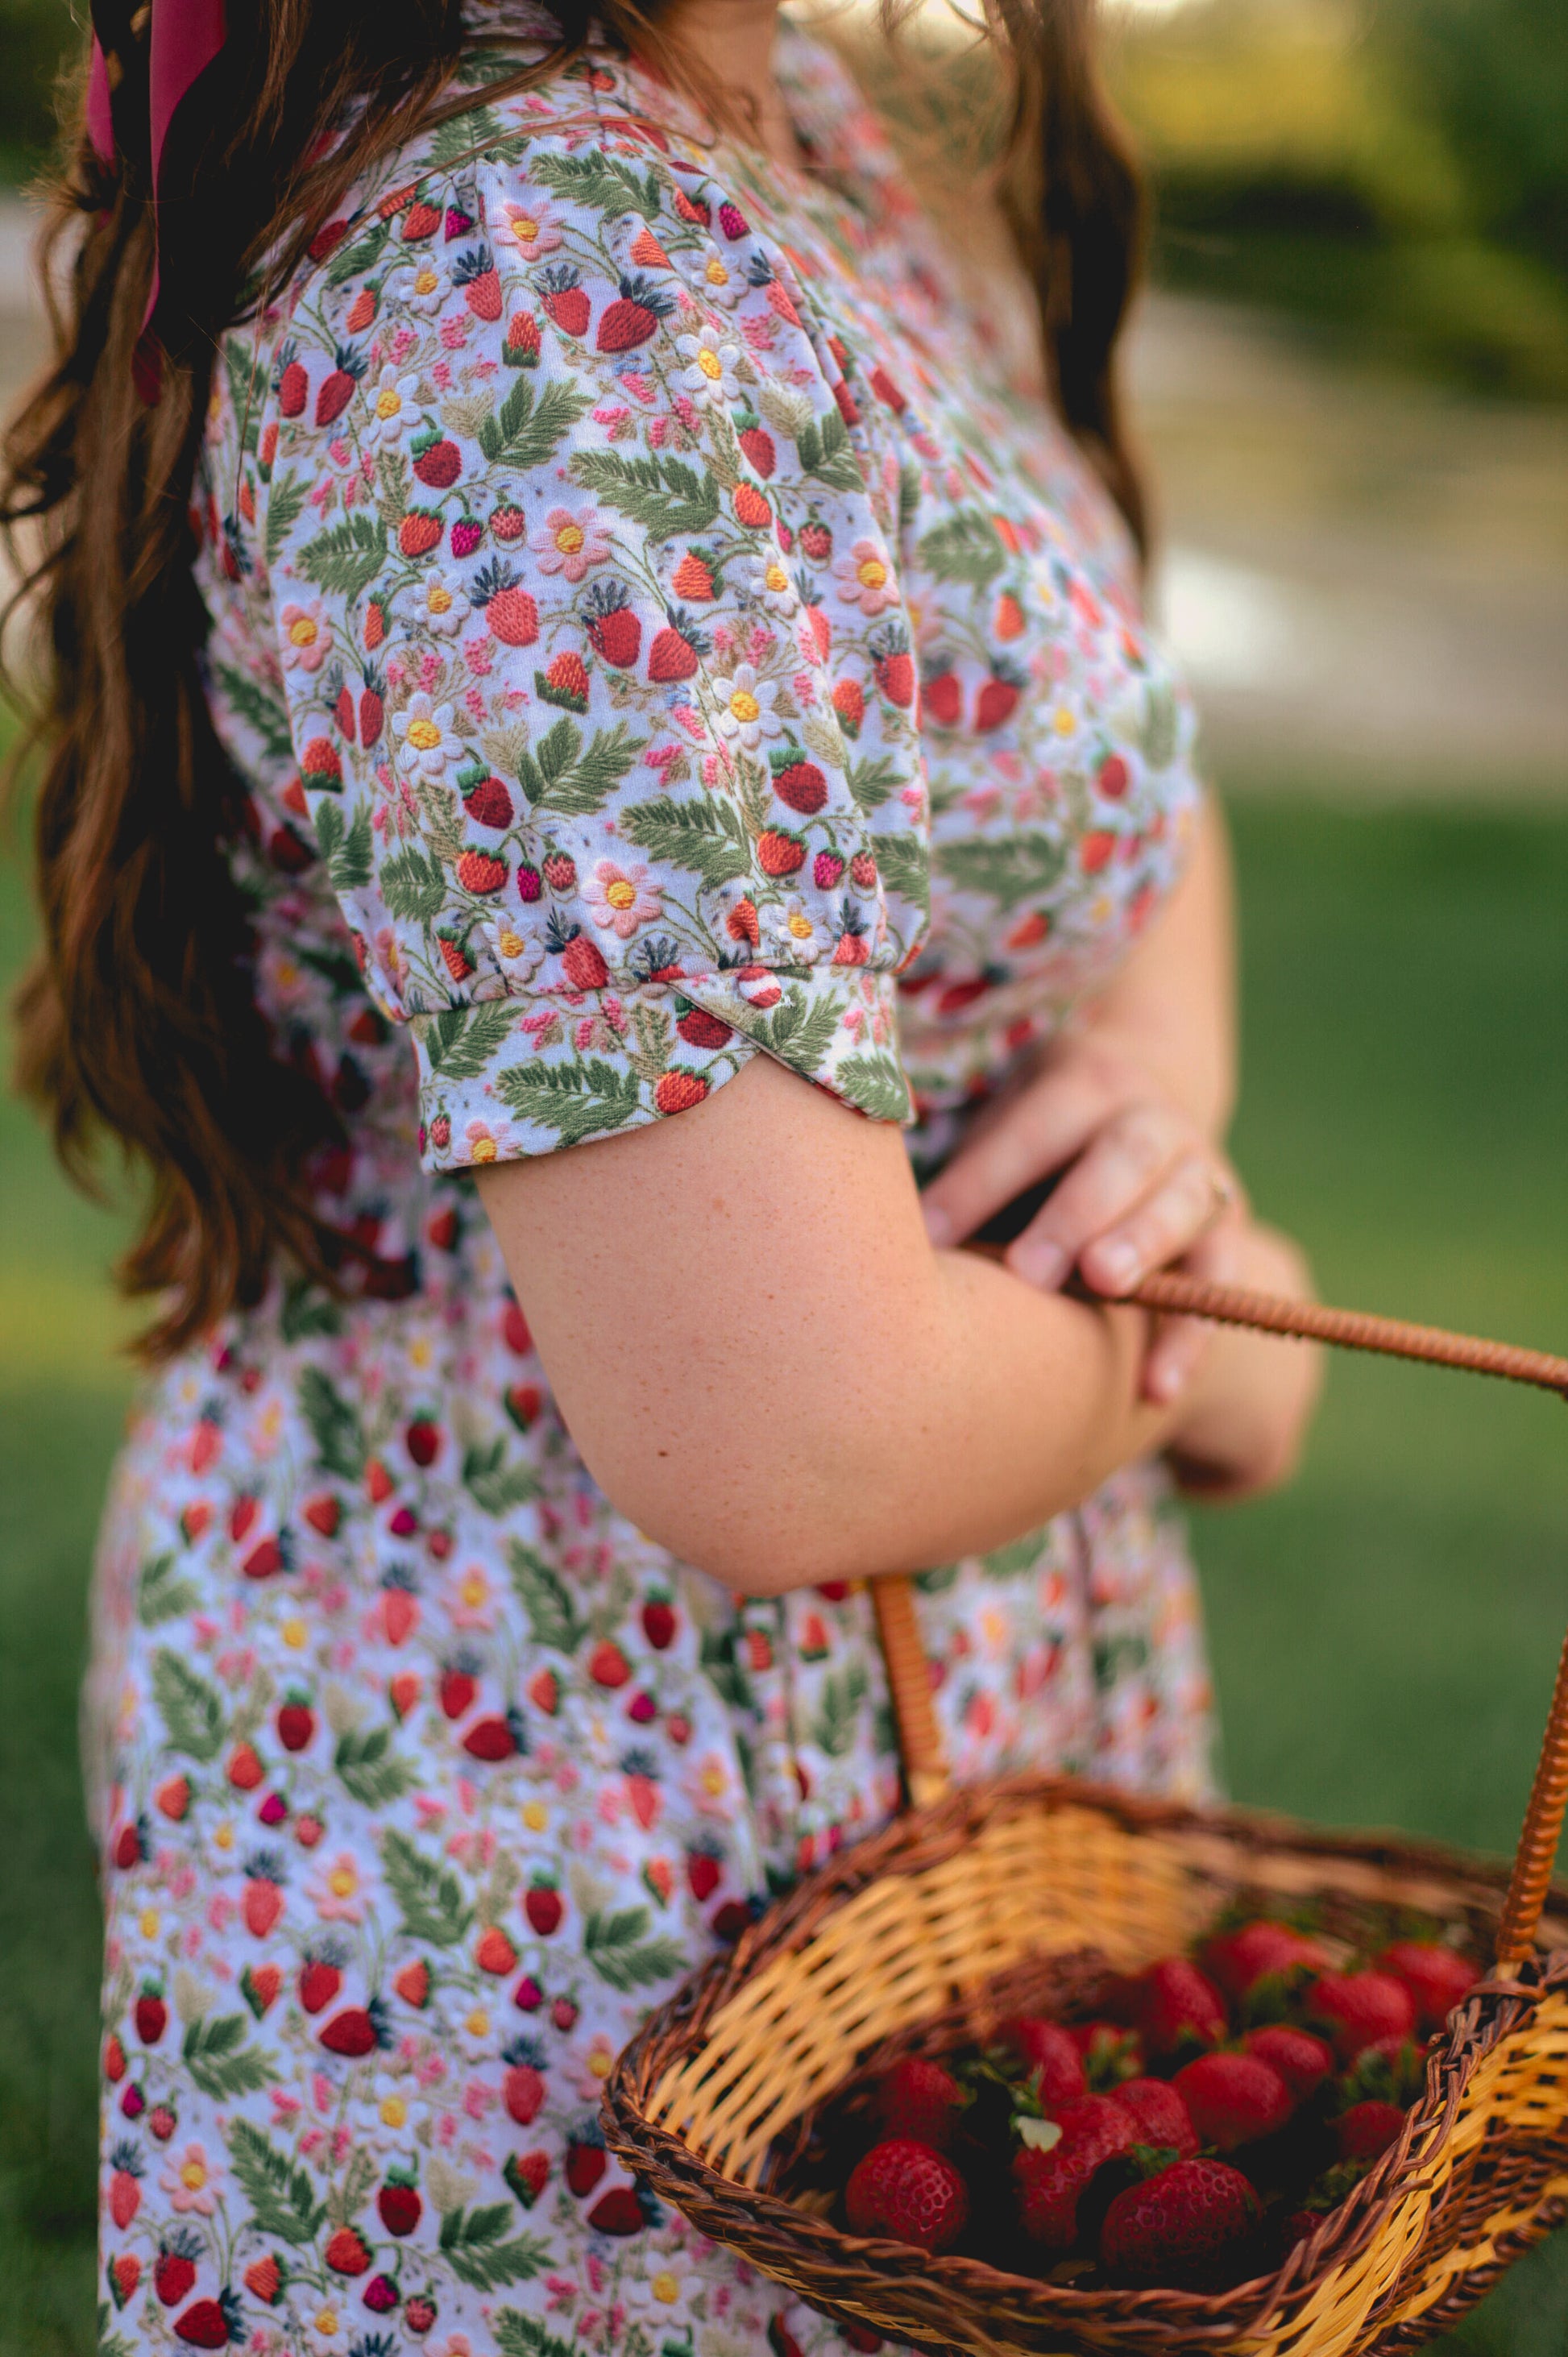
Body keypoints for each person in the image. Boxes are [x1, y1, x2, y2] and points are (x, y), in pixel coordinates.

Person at [4, 0, 1320, 2347]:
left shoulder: (785, 114)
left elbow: (1111, 746)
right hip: (589, 1853)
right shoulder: (536, 273)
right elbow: (779, 1427)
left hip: (918, 1707)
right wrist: (1209, 1347)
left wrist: (1148, 1101)